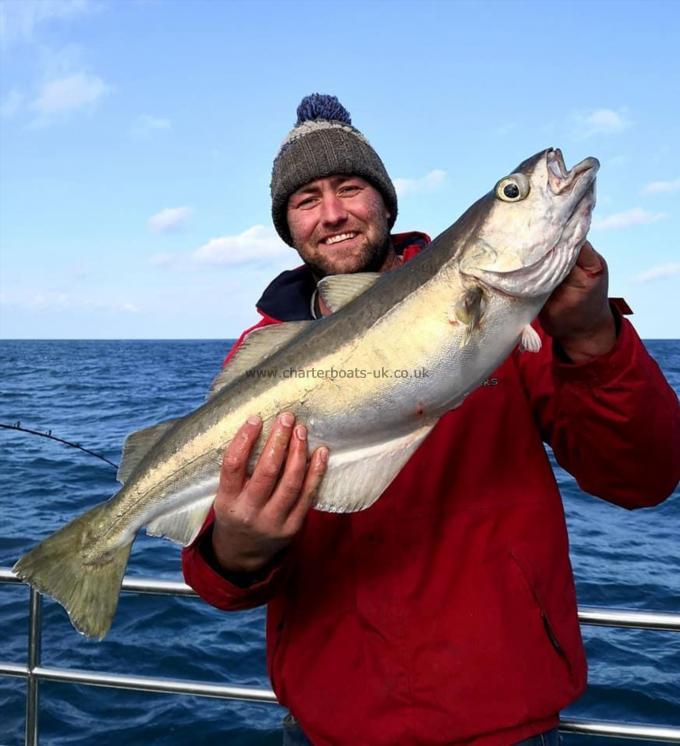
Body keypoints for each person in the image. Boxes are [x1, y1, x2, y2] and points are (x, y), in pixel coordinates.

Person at [182, 94, 680, 745]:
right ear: (288, 226)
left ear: (387, 201)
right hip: (327, 730)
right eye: (306, 201)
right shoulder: (263, 355)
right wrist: (238, 549)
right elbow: (220, 584)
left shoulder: (518, 325)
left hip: (505, 725)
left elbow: (642, 478)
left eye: (351, 188)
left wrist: (592, 339)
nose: (332, 213)